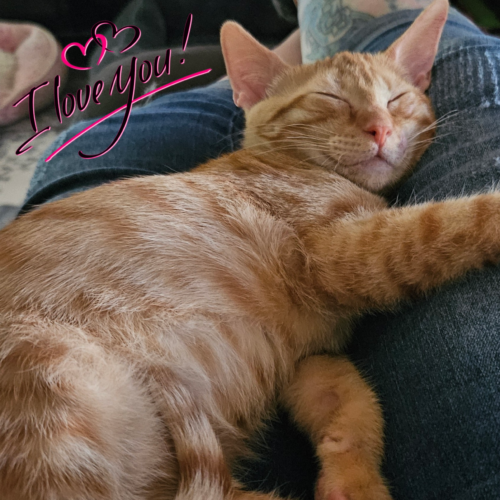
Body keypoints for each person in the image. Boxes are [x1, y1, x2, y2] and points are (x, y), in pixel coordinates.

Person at [21, 0, 500, 498]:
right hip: (56, 337)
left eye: (399, 99)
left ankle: (306, 41)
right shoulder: (285, 180)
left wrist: (352, 450)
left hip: (114, 376)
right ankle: (325, 35)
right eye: (331, 103)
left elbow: (305, 354)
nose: (381, 126)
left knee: (138, 130)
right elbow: (340, 266)